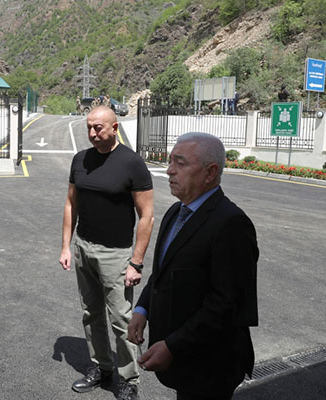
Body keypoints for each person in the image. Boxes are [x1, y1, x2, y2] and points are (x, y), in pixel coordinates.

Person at [128, 132, 258, 400]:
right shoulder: (176, 212)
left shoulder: (231, 224)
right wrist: (143, 309)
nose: (169, 170)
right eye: (170, 161)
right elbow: (163, 272)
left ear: (210, 172)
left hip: (210, 364)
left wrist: (173, 346)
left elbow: (226, 305)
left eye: (180, 163)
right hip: (185, 360)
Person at [60, 105, 154, 400]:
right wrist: (66, 246)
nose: (92, 133)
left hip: (117, 254)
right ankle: (102, 368)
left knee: (121, 320)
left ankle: (128, 379)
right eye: (88, 127)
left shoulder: (132, 163)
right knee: (91, 314)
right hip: (83, 247)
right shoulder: (80, 160)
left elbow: (147, 216)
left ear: (114, 128)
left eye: (97, 128)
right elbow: (71, 204)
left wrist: (136, 262)